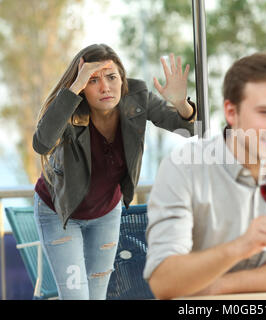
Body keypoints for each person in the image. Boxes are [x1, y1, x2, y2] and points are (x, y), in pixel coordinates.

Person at [144, 52, 266, 299]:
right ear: (231, 112)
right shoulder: (183, 167)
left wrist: (218, 285)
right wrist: (239, 248)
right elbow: (165, 281)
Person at [32, 43, 196, 300]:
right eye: (92, 80)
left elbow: (190, 130)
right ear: (82, 87)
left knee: (98, 296)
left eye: (111, 77)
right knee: (76, 296)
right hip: (59, 213)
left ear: (122, 79)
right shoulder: (69, 108)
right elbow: (42, 143)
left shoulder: (137, 99)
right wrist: (73, 88)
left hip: (106, 213)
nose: (105, 87)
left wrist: (182, 105)